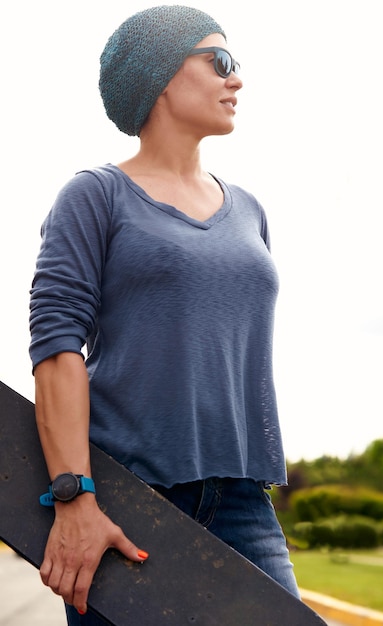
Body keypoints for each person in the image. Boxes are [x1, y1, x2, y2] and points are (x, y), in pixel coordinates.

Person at [29, 5, 299, 624]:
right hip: (127, 498)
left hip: (242, 503)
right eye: (220, 60)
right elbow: (56, 345)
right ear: (160, 77)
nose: (237, 80)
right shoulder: (94, 196)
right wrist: (75, 499)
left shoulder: (251, 211)